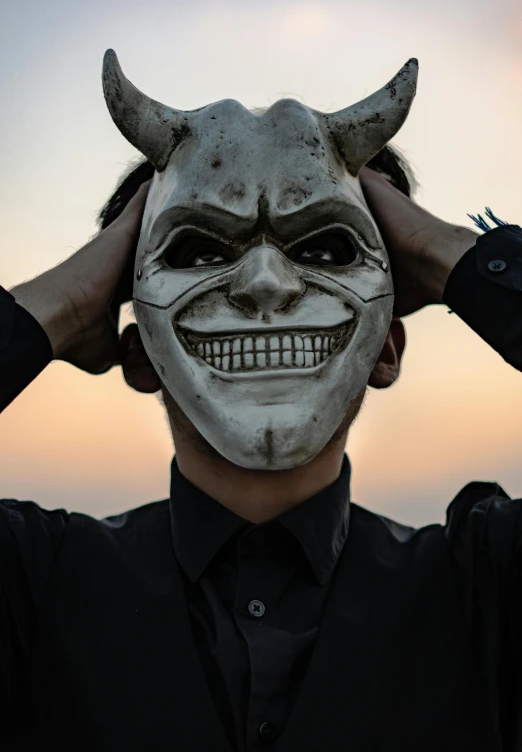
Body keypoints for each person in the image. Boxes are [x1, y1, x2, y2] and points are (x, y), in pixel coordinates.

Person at [1, 148, 522, 751]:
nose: (266, 284)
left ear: (385, 350)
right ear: (141, 354)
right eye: (198, 253)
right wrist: (64, 298)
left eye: (326, 251)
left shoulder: (487, 583)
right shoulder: (32, 580)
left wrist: (445, 250)